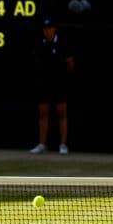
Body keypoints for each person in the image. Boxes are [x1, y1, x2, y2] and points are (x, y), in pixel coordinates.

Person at [29, 17, 74, 155]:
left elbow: (70, 63)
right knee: (43, 113)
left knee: (62, 113)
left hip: (60, 84)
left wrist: (64, 78)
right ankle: (42, 144)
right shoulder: (39, 44)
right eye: (45, 29)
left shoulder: (63, 44)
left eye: (49, 28)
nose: (47, 31)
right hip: (44, 83)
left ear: (54, 29)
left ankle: (63, 145)